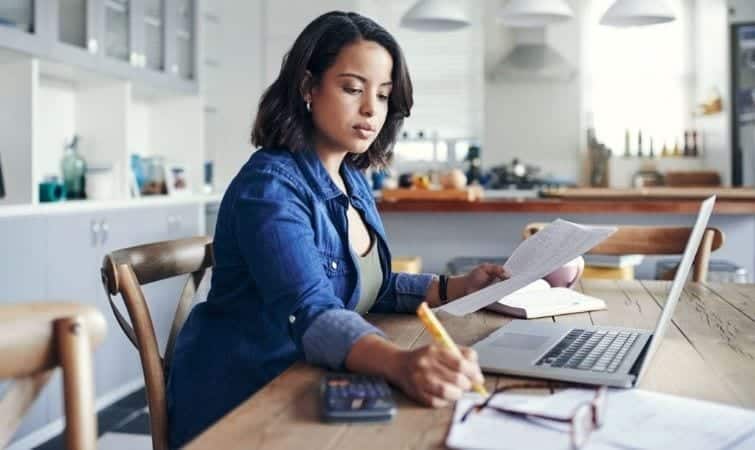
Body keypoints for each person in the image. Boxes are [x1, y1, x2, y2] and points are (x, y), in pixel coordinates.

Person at [166, 11, 508, 447]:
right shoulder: (270, 188)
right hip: (246, 400)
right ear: (308, 87)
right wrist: (401, 363)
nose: (371, 109)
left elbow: (367, 286)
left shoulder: (353, 179)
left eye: (383, 96)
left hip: (308, 380)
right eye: (352, 89)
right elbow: (312, 310)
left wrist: (456, 287)